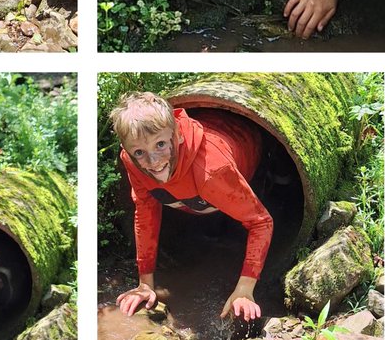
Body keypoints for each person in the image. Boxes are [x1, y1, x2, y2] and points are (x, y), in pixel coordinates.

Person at [110, 92, 274, 321]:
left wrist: (245, 288)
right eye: (140, 152)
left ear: (177, 135)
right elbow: (146, 212)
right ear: (127, 149)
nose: (153, 161)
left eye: (160, 145)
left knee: (269, 180)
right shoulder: (133, 163)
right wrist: (145, 284)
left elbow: (261, 222)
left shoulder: (211, 171)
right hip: (199, 194)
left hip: (246, 139)